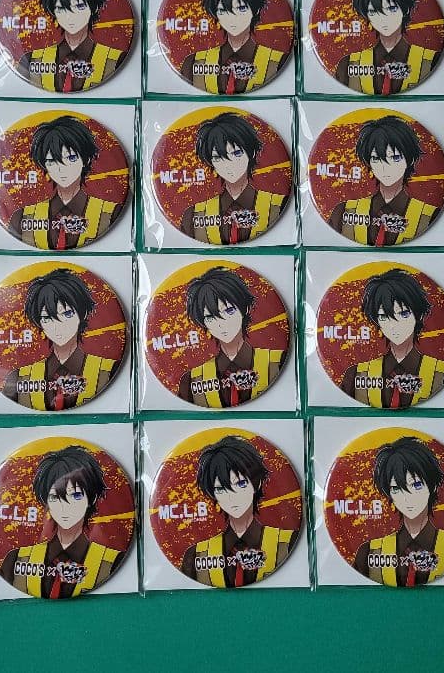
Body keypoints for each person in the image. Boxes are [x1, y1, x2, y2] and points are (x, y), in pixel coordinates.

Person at [0, 446, 124, 598]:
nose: (65, 506)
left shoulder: (112, 562)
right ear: (46, 501)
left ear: (92, 498)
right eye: (55, 497)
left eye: (76, 496)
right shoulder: (15, 561)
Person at [180, 436, 296, 587]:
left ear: (257, 483)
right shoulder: (195, 555)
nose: (232, 496)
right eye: (220, 489)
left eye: (241, 484)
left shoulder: (287, 543)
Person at [353, 436, 444, 586]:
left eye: (417, 485)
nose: (407, 498)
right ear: (389, 493)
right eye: (396, 488)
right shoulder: (368, 553)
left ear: (433, 486)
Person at [1, 268, 117, 410]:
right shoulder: (19, 378)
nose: (58, 326)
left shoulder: (108, 371)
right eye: (47, 318)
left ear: (83, 313)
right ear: (39, 322)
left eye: (67, 314)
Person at [6, 116, 122, 249]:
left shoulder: (111, 213)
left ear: (86, 159)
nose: (62, 168)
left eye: (71, 158)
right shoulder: (21, 218)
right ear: (44, 165)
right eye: (51, 161)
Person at [340, 269, 444, 407]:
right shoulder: (356, 375)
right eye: (383, 317)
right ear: (376, 321)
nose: (394, 325)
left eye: (404, 314)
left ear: (419, 315)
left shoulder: (443, 372)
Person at [176, 267, 285, 407]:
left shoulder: (278, 362)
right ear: (203, 322)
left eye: (229, 310)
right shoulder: (191, 381)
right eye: (210, 317)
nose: (221, 323)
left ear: (245, 308)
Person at [327, 116, 438, 245]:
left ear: (410, 160)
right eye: (376, 159)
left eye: (395, 158)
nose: (385, 167)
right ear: (368, 162)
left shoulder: (429, 215)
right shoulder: (343, 212)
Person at [179, 112, 287, 244]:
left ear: (252, 152)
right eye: (218, 157)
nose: (229, 164)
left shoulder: (278, 205)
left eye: (237, 153)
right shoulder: (193, 215)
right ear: (210, 162)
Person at [17, 0, 125, 92]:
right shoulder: (31, 60)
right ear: (53, 12)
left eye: (80, 6)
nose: (70, 16)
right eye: (61, 9)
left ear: (94, 7)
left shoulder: (115, 60)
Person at [179, 0, 287, 94]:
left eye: (241, 8)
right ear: (215, 14)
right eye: (223, 11)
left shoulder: (277, 61)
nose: (233, 18)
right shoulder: (193, 63)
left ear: (256, 9)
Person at [334, 0, 439, 95]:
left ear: (405, 9)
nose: (384, 18)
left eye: (392, 8)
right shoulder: (347, 65)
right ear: (366, 15)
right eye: (373, 11)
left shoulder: (430, 60)